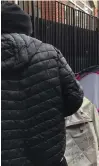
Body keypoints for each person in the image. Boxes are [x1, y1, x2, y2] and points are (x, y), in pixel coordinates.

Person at [1, 2, 83, 166]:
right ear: (27, 27)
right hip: (49, 157)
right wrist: (52, 111)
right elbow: (75, 98)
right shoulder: (50, 53)